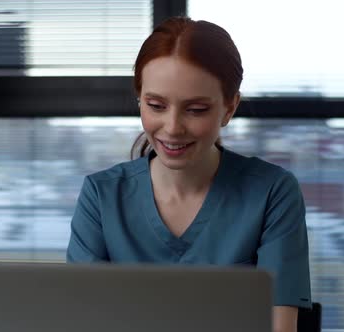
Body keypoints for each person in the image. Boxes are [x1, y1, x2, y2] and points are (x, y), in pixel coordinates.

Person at [67, 16, 311, 332]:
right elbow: (82, 319)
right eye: (156, 105)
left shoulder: (272, 192)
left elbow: (281, 326)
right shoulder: (100, 196)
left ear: (229, 108)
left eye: (195, 110)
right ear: (139, 99)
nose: (172, 128)